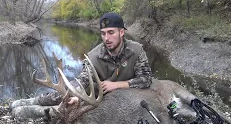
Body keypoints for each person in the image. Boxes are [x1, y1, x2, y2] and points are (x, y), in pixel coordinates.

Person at [11, 12, 152, 108]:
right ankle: (34, 101)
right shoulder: (93, 56)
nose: (106, 38)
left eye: (111, 33)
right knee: (70, 90)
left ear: (121, 32)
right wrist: (77, 95)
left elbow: (146, 79)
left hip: (128, 98)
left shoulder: (136, 50)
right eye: (103, 34)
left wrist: (117, 85)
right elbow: (83, 81)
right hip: (101, 97)